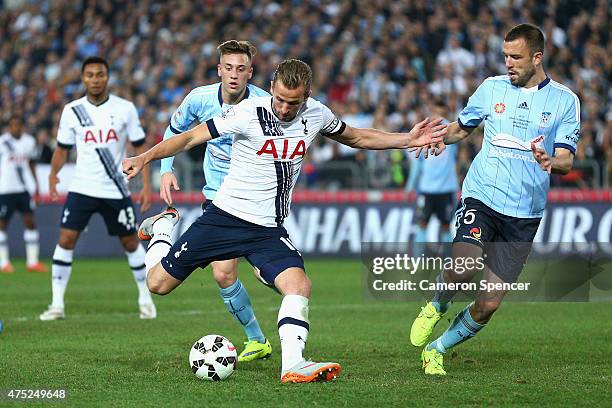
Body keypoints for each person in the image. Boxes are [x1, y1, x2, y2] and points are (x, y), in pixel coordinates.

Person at [122, 59, 446, 383]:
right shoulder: (248, 112)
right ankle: (163, 230)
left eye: (293, 103)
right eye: (279, 99)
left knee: (299, 284)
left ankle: (292, 364)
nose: (285, 108)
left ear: (306, 97)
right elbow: (190, 137)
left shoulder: (317, 114)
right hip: (224, 218)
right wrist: (145, 157)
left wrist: (408, 139)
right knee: (158, 285)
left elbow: (358, 137)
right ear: (272, 86)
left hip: (266, 230)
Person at [409, 23, 581, 375]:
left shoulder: (565, 101)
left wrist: (551, 160)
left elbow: (567, 158)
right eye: (505, 56)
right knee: (463, 267)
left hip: (524, 214)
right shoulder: (491, 89)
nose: (508, 63)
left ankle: (436, 349)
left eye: (516, 57)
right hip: (482, 195)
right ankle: (436, 305)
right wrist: (442, 138)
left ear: (537, 57)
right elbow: (462, 127)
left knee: (488, 304)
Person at [158, 40, 272, 363]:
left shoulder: (266, 104)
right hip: (218, 198)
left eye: (241, 69)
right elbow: (174, 130)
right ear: (219, 69)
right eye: (228, 68)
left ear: (250, 72)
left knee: (270, 276)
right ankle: (257, 340)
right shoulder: (200, 98)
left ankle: (288, 332)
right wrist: (166, 169)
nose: (234, 75)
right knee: (223, 275)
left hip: (255, 197)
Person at [39, 56, 154, 321]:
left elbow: (140, 149)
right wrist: (53, 175)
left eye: (100, 74)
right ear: (83, 78)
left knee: (129, 242)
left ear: (107, 77)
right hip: (82, 187)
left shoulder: (125, 108)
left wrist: (146, 185)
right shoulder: (72, 110)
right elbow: (62, 149)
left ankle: (145, 299)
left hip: (115, 189)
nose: (95, 79)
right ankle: (57, 304)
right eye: (90, 75)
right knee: (66, 239)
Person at [405, 100, 458, 256]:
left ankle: (448, 261)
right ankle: (417, 261)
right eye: (436, 113)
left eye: (442, 114)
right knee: (423, 224)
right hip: (427, 189)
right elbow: (417, 164)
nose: (439, 117)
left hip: (446, 188)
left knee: (445, 225)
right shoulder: (424, 134)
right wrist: (410, 186)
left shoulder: (451, 132)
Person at [0, 115, 47, 273]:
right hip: (5, 189)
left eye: (18, 125)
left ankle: (32, 262)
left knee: (30, 223)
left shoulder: (29, 142)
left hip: (24, 190)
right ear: (9, 127)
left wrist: (37, 186)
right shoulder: (2, 142)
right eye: (12, 125)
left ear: (22, 126)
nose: (16, 128)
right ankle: (3, 263)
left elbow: (32, 164)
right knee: (2, 225)